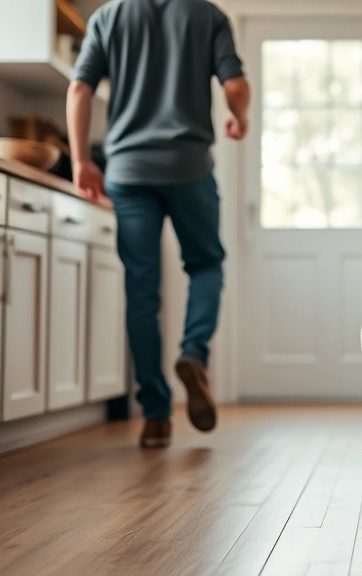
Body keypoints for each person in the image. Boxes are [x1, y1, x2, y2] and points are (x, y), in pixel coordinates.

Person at [67, 0, 250, 449]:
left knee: (142, 289)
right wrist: (238, 116)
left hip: (127, 172)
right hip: (189, 166)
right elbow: (236, 84)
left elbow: (78, 89)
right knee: (206, 264)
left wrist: (80, 160)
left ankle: (154, 415)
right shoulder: (207, 16)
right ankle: (193, 353)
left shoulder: (108, 17)